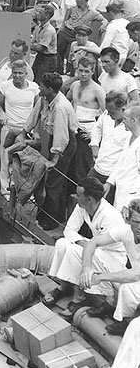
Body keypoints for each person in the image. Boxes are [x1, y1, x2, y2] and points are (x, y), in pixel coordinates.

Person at [44, 177, 127, 320]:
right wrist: (82, 242)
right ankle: (63, 287)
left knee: (75, 251)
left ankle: (79, 297)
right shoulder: (82, 207)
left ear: (89, 199)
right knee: (62, 243)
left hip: (112, 258)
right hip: (96, 248)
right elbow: (69, 230)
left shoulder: (110, 216)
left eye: (78, 195)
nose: (76, 198)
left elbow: (101, 245)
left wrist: (84, 246)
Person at [19, 72, 78, 229]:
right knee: (56, 180)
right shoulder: (44, 98)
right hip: (55, 140)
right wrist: (24, 132)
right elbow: (34, 115)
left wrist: (55, 159)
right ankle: (55, 214)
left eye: (42, 86)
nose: (39, 87)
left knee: (53, 181)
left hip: (65, 143)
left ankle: (51, 221)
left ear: (50, 89)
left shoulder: (60, 107)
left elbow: (62, 136)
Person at [78, 197, 140, 337]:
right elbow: (93, 242)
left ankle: (126, 321)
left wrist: (99, 278)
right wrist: (86, 268)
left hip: (137, 275)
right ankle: (108, 302)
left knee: (128, 287)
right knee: (97, 255)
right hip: (135, 272)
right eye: (136, 222)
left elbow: (135, 275)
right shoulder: (125, 230)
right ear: (128, 220)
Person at [0, 59, 39, 197]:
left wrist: (36, 131)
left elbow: (37, 111)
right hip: (9, 128)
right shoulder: (6, 86)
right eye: (15, 73)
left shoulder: (34, 87)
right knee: (6, 159)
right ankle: (6, 190)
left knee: (26, 162)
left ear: (26, 73)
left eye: (20, 73)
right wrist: (2, 114)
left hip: (27, 131)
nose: (17, 76)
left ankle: (24, 192)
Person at [89, 91, 130, 188]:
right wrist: (94, 145)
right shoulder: (107, 114)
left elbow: (125, 158)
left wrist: (110, 182)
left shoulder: (131, 129)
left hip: (113, 176)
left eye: (112, 112)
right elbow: (97, 127)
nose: (108, 114)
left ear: (123, 109)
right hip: (97, 168)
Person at [57, 0, 107, 70]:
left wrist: (103, 25)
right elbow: (64, 21)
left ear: (82, 0)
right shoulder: (72, 9)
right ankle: (59, 70)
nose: (75, 1)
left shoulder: (92, 13)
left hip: (78, 35)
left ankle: (71, 71)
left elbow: (104, 20)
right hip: (66, 32)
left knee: (74, 53)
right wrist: (60, 30)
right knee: (59, 51)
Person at [105, 106, 140, 214]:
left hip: (132, 196)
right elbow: (121, 162)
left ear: (133, 120)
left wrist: (129, 203)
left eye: (124, 119)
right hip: (120, 190)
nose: (122, 121)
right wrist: (109, 182)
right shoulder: (129, 136)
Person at [31, 5, 57, 82]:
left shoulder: (49, 30)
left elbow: (40, 47)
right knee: (33, 76)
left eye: (40, 13)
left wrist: (29, 46)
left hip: (48, 59)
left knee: (41, 81)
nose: (38, 14)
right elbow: (33, 42)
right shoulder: (38, 28)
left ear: (47, 16)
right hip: (40, 56)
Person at [100, 1, 131, 65]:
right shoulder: (127, 23)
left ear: (111, 13)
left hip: (113, 57)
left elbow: (105, 45)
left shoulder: (112, 25)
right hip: (124, 56)